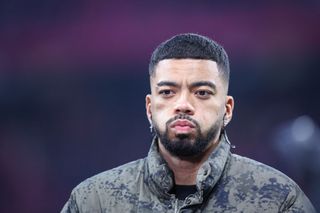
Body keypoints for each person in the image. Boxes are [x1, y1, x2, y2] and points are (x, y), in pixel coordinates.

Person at [61, 33, 316, 212]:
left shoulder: (279, 200)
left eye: (202, 92)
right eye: (167, 92)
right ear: (150, 108)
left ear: (227, 109)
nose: (183, 104)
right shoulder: (94, 201)